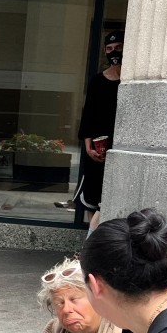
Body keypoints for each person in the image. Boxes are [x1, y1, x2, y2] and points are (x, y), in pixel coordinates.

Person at [60, 30, 123, 229]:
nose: (114, 52)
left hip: (121, 146)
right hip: (98, 147)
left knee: (114, 193)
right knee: (93, 195)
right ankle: (93, 238)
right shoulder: (97, 81)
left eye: (118, 48)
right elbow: (88, 115)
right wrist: (88, 148)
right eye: (109, 49)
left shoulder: (131, 82)